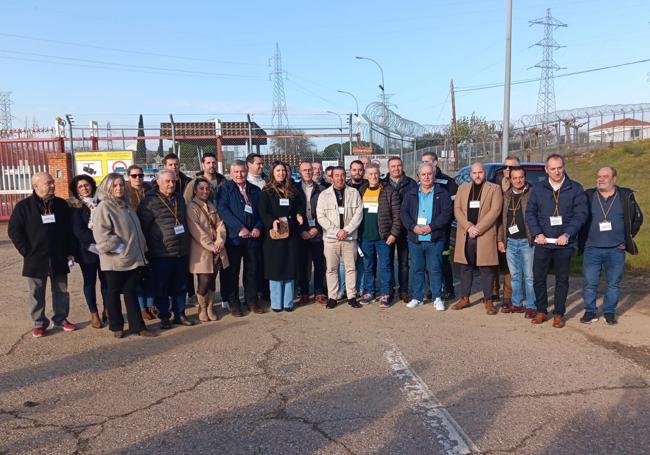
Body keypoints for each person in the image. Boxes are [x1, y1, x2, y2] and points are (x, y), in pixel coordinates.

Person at [9, 172, 77, 337]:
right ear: (36, 186)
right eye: (48, 183)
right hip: (35, 258)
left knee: (61, 290)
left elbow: (69, 230)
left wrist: (69, 252)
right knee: (36, 293)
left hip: (58, 256)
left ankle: (61, 319)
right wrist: (26, 251)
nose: (53, 185)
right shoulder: (24, 206)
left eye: (53, 182)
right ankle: (39, 323)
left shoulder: (61, 205)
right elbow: (14, 230)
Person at [526, 154, 588, 328]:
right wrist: (537, 233)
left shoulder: (575, 188)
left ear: (564, 167)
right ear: (546, 170)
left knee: (562, 280)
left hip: (564, 243)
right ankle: (541, 310)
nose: (557, 171)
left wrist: (567, 234)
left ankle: (559, 313)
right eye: (552, 169)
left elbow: (581, 214)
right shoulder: (538, 189)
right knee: (539, 278)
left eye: (559, 167)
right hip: (542, 242)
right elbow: (530, 212)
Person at [578, 167, 643, 325]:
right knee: (590, 282)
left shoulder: (625, 196)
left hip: (616, 249)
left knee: (613, 283)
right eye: (599, 176)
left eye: (605, 176)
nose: (601, 179)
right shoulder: (589, 195)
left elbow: (637, 218)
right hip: (592, 248)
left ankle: (609, 312)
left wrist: (627, 238)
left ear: (614, 179)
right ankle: (590, 311)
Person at [92, 173, 154, 338]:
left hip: (132, 257)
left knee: (131, 292)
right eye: (115, 186)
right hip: (114, 259)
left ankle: (138, 326)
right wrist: (119, 246)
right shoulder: (104, 207)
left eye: (121, 185)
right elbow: (102, 235)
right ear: (107, 188)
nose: (119, 188)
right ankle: (116, 326)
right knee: (113, 293)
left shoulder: (126, 205)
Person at [138, 169, 194, 329]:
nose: (171, 184)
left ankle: (180, 313)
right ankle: (164, 316)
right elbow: (144, 228)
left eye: (173, 181)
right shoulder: (149, 202)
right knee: (161, 287)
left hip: (181, 250)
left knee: (181, 285)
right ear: (158, 182)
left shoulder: (179, 198)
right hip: (161, 252)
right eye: (167, 181)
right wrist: (148, 250)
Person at [400, 163, 454, 310]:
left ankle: (437, 297)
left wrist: (431, 227)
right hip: (415, 238)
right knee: (417, 269)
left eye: (429, 174)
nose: (426, 177)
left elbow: (446, 214)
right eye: (423, 174)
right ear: (418, 176)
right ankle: (417, 297)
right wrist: (413, 227)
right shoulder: (410, 194)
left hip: (434, 238)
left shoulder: (442, 194)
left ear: (434, 175)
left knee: (435, 268)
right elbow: (404, 213)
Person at [452, 163, 503, 315]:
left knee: (486, 269)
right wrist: (468, 227)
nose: (477, 175)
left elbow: (495, 211)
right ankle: (465, 298)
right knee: (465, 267)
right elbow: (457, 209)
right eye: (474, 173)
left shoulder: (494, 189)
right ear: (471, 174)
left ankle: (488, 300)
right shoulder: (463, 189)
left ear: (485, 173)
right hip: (466, 234)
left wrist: (478, 228)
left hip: (484, 234)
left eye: (480, 172)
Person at [217, 160, 264, 317]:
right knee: (232, 272)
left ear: (247, 171)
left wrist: (257, 227)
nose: (239, 175)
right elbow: (223, 210)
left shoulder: (255, 190)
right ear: (231, 173)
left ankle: (252, 301)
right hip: (234, 239)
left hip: (252, 238)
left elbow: (262, 212)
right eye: (236, 172)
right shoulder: (225, 189)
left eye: (242, 171)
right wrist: (240, 228)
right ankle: (234, 302)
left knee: (252, 271)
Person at [259, 161, 305, 312]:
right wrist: (272, 221)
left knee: (290, 268)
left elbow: (298, 206)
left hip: (291, 234)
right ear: (273, 172)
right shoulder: (266, 191)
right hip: (275, 235)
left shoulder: (291, 190)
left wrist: (299, 214)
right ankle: (276, 303)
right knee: (276, 269)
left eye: (283, 171)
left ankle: (288, 302)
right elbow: (263, 211)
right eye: (278, 171)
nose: (281, 173)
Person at [316, 166, 364, 309]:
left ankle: (351, 296)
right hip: (332, 239)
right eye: (336, 175)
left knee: (351, 268)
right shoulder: (324, 195)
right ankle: (333, 296)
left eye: (342, 175)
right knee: (331, 269)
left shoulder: (354, 193)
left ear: (345, 176)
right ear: (331, 177)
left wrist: (347, 230)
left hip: (349, 238)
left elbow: (358, 214)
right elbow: (321, 217)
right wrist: (337, 231)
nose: (340, 178)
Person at [186, 177, 229, 322]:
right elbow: (196, 230)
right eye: (201, 188)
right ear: (195, 190)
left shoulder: (212, 205)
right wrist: (212, 246)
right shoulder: (192, 207)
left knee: (212, 280)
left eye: (207, 188)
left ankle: (210, 306)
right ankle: (202, 307)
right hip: (201, 250)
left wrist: (220, 241)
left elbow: (220, 225)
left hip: (217, 249)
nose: (205, 191)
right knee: (204, 280)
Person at [358, 164, 401, 307]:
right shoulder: (361, 191)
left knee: (385, 266)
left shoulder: (389, 191)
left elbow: (397, 216)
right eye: (370, 174)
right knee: (368, 266)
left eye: (376, 173)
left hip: (384, 238)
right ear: (365, 176)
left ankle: (385, 293)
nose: (373, 177)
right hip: (365, 236)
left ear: (380, 174)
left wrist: (393, 234)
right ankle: (369, 292)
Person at [68, 175, 108, 329]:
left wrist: (104, 242)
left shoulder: (101, 201)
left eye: (86, 185)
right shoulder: (75, 206)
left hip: (105, 248)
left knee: (106, 282)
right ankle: (94, 313)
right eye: (80, 187)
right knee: (90, 282)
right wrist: (96, 240)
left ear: (91, 185)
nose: (84, 188)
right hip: (87, 250)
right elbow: (78, 231)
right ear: (76, 190)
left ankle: (107, 310)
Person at [497, 166, 536, 318]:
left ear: (525, 178)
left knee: (529, 276)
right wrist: (501, 240)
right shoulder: (507, 195)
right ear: (510, 179)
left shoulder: (532, 194)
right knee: (515, 275)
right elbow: (502, 220)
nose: (518, 180)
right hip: (511, 241)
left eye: (521, 177)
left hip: (527, 241)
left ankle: (531, 305)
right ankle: (517, 303)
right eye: (515, 178)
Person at [421, 151, 458, 300]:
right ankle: (431, 289)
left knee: (443, 260)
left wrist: (441, 224)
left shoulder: (448, 183)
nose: (425, 164)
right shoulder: (422, 181)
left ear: (435, 163)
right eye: (422, 161)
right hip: (424, 230)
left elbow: (453, 208)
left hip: (442, 230)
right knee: (427, 262)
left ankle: (448, 289)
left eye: (428, 161)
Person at [381, 156, 417, 303]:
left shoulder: (411, 184)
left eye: (398, 166)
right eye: (393, 166)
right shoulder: (382, 184)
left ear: (402, 167)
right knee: (387, 262)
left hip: (405, 230)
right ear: (388, 168)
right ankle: (388, 290)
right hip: (387, 231)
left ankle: (403, 290)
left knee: (403, 262)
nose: (396, 168)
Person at [125, 164, 155, 320]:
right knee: (137, 275)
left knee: (150, 274)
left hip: (150, 236)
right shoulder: (124, 193)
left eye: (141, 175)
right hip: (133, 237)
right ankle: (141, 307)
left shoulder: (150, 190)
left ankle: (151, 305)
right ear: (128, 177)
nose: (138, 178)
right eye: (134, 176)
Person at [296, 160, 328, 305]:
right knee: (303, 264)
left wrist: (317, 229)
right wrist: (302, 231)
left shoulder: (322, 190)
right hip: (301, 234)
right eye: (305, 170)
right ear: (300, 171)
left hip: (318, 232)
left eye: (310, 170)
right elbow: (291, 212)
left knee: (320, 264)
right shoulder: (293, 189)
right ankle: (304, 292)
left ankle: (319, 292)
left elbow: (327, 213)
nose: (309, 172)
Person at [491, 156, 520, 305]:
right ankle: (494, 290)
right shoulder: (494, 183)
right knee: (494, 261)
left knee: (510, 264)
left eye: (512, 167)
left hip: (512, 229)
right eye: (506, 167)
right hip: (494, 227)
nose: (508, 170)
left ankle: (508, 294)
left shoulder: (521, 185)